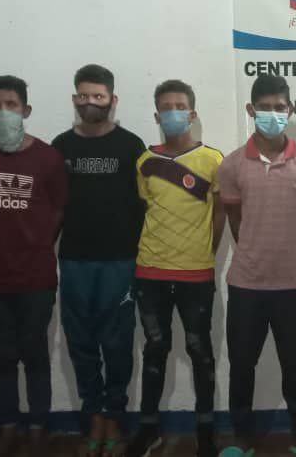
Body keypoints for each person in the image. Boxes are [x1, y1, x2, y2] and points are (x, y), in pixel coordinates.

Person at [0, 75, 68, 455]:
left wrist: (36, 244)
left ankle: (38, 426)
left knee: (35, 354)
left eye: (12, 105)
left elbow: (58, 211)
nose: (4, 111)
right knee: (2, 356)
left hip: (36, 277)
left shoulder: (49, 158)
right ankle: (7, 424)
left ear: (26, 110)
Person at [218, 74, 296, 452]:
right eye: (265, 107)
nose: (273, 114)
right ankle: (241, 437)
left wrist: (288, 248)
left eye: (280, 107)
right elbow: (234, 219)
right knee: (241, 364)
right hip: (247, 282)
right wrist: (256, 248)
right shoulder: (231, 165)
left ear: (290, 110)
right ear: (251, 110)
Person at [52, 64, 146, 457]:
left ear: (112, 100)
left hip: (120, 261)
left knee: (118, 343)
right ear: (75, 99)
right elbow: (53, 207)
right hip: (74, 260)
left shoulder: (131, 145)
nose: (91, 102)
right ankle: (93, 414)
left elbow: (144, 206)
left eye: (99, 96)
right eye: (84, 95)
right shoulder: (60, 146)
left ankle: (114, 416)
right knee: (81, 343)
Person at [127, 80, 224, 457]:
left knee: (201, 351)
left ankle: (206, 430)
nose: (173, 113)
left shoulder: (213, 160)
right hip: (150, 272)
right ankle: (148, 428)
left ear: (192, 113)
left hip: (196, 273)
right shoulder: (144, 161)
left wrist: (206, 251)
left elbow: (220, 216)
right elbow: (143, 210)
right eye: (165, 107)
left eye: (180, 106)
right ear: (157, 116)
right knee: (155, 350)